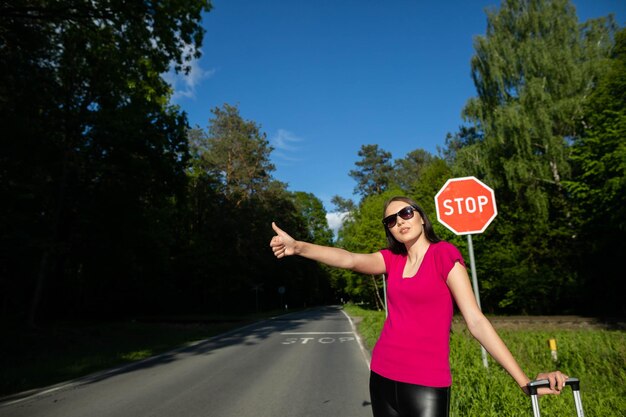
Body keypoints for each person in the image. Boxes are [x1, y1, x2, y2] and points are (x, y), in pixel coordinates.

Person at [269, 196, 569, 417]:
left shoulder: (444, 254)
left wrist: (523, 381)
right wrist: (299, 248)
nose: (399, 221)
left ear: (421, 217)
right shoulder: (391, 260)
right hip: (383, 375)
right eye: (391, 219)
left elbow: (476, 321)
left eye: (406, 213)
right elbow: (349, 258)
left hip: (427, 382)